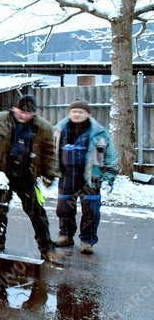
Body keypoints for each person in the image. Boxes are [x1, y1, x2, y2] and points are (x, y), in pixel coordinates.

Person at [0, 95, 60, 263]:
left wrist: (50, 173)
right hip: (2, 174)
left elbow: (49, 152)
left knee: (37, 212)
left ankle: (47, 248)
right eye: (21, 111)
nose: (24, 116)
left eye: (28, 113)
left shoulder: (43, 127)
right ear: (14, 108)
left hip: (27, 176)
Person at [53, 100, 118, 255]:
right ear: (69, 113)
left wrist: (109, 177)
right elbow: (49, 152)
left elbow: (110, 156)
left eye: (80, 112)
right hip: (67, 176)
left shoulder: (99, 133)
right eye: (74, 111)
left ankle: (87, 241)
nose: (77, 114)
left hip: (91, 178)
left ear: (88, 114)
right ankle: (66, 236)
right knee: (64, 209)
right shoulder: (58, 130)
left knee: (91, 211)